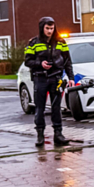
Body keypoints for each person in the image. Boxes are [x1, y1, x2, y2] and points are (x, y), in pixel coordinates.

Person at [24, 16, 74, 147]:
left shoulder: (61, 42)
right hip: (40, 78)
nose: (50, 31)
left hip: (56, 78)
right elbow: (27, 61)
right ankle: (40, 134)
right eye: (47, 28)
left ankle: (58, 134)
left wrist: (71, 77)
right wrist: (40, 64)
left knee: (56, 107)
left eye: (52, 28)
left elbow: (68, 61)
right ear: (42, 28)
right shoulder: (34, 43)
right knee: (39, 107)